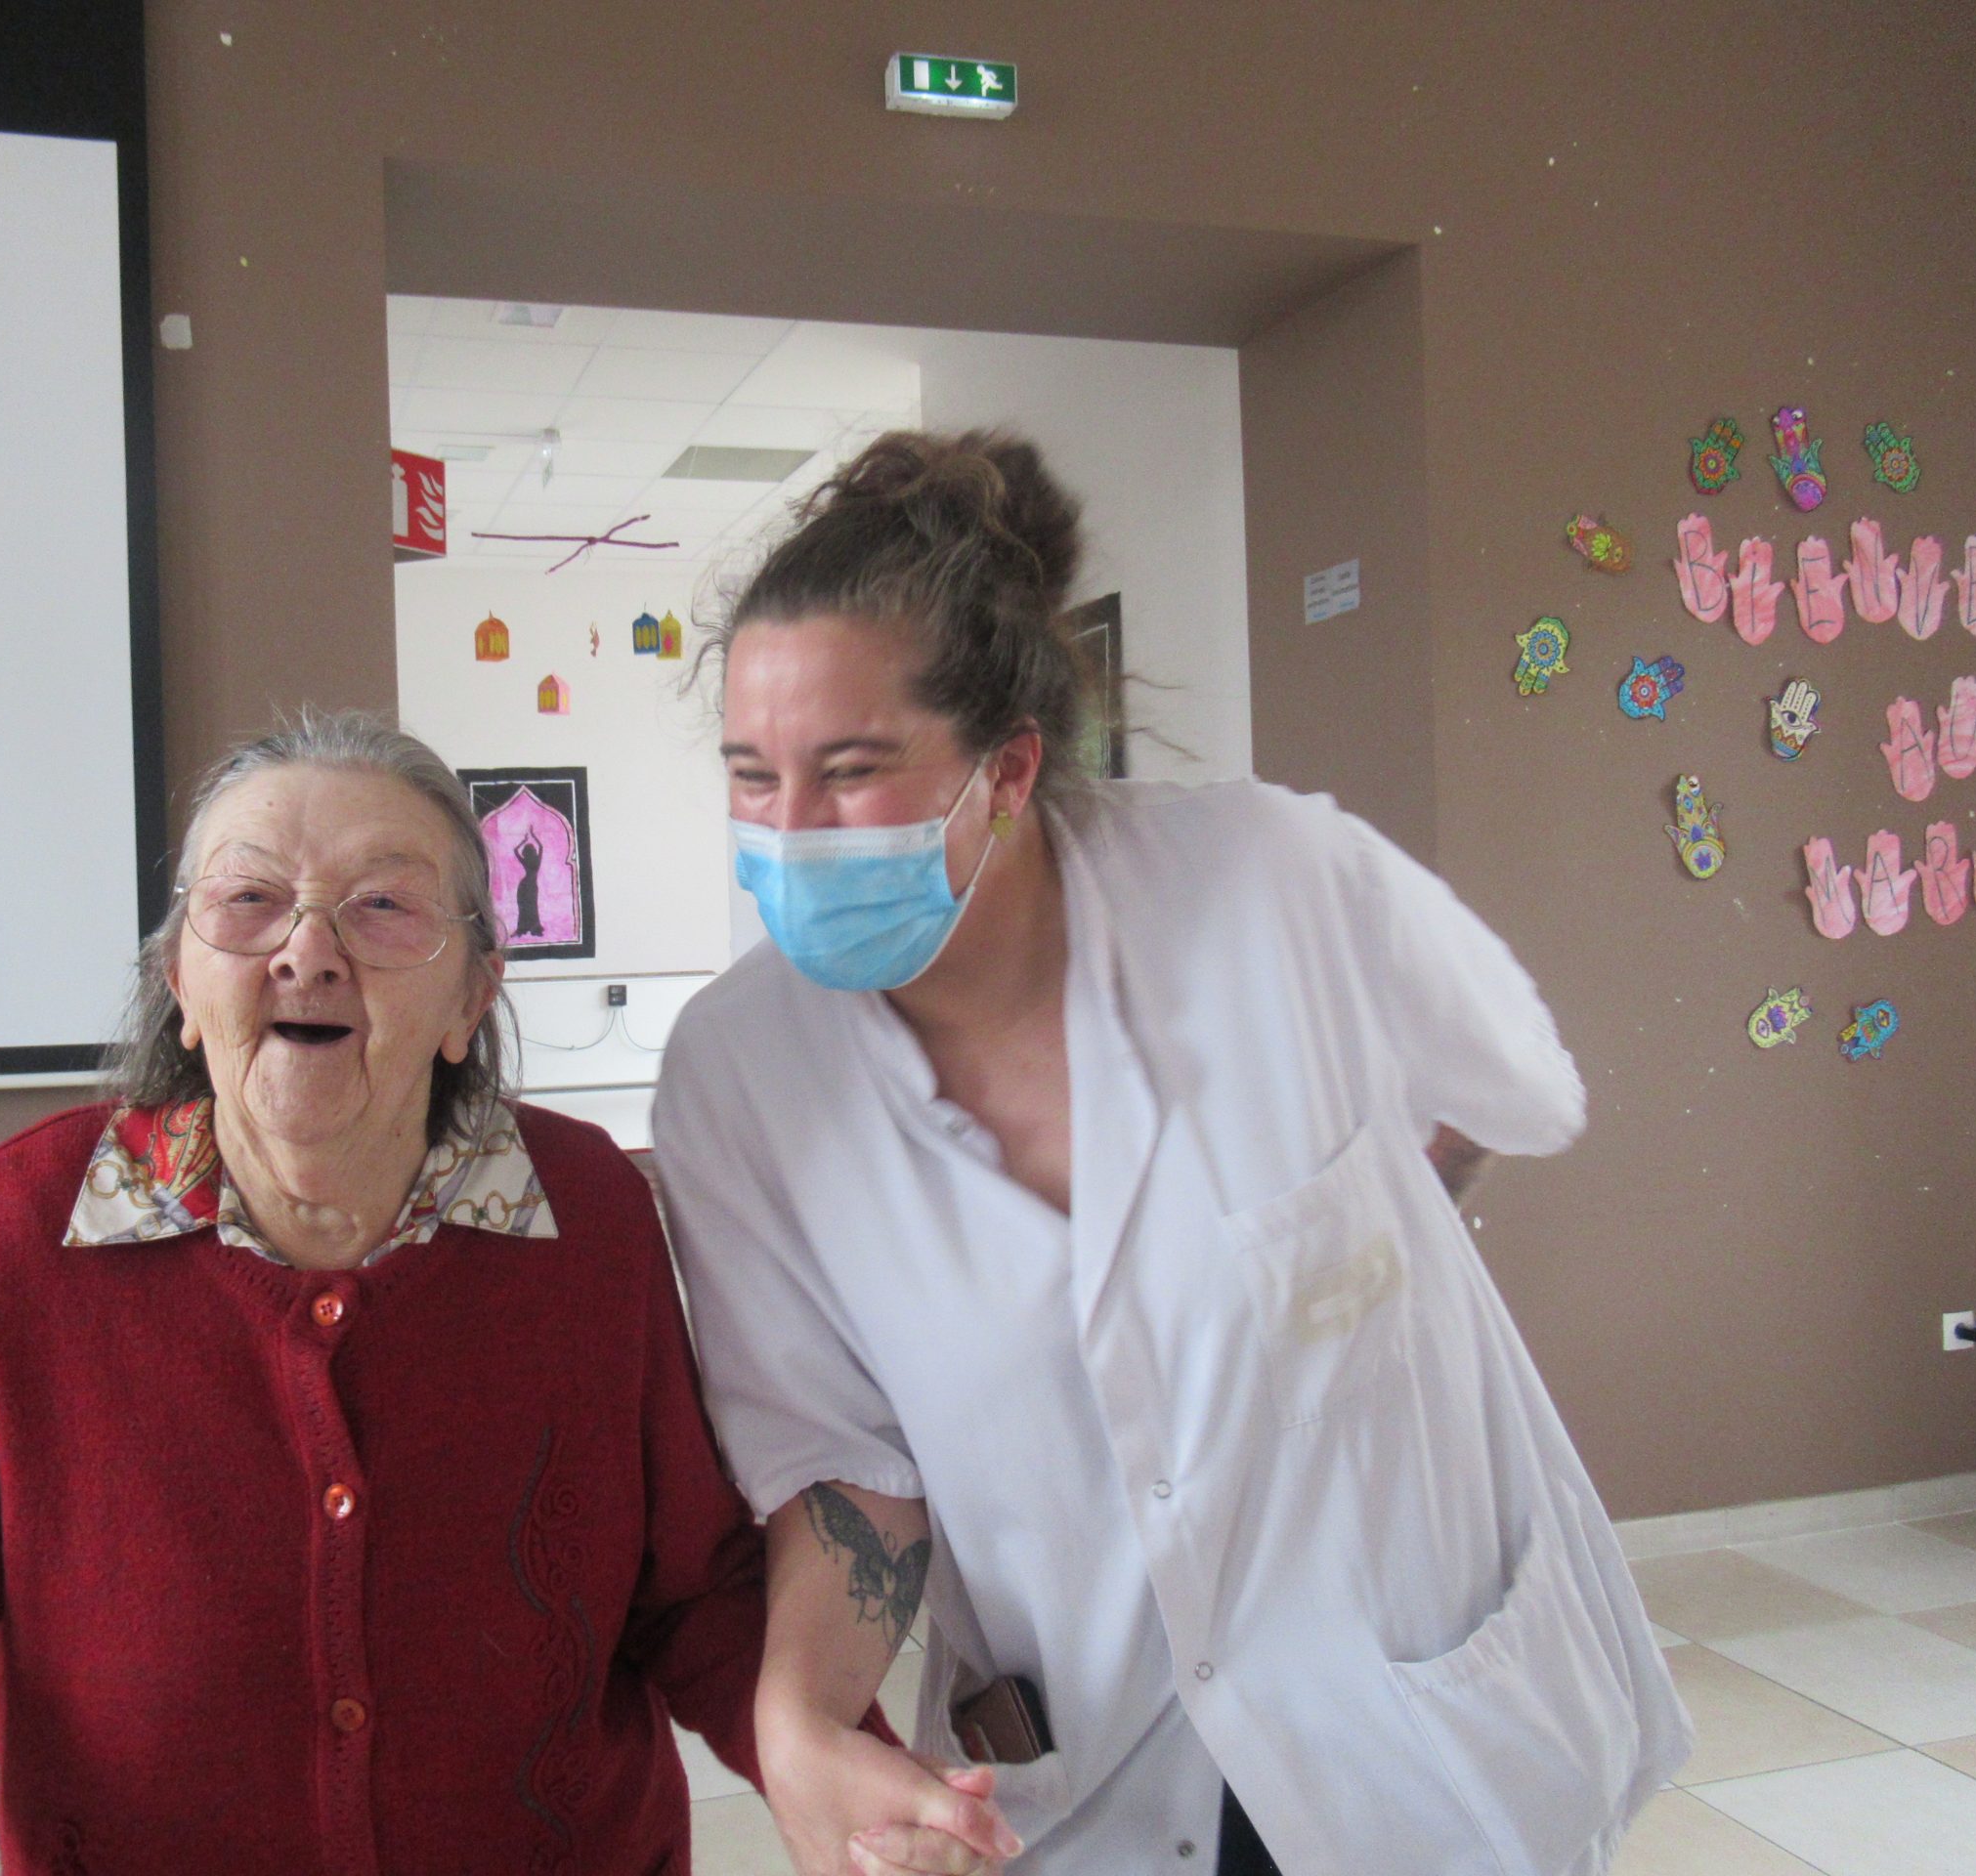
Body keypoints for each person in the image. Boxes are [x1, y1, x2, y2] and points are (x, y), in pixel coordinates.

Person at [652, 434, 1691, 1876]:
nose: (790, 833)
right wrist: (799, 1713)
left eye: (850, 772)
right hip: (1086, 1779)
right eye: (752, 777)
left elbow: (1502, 1087)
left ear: (1009, 769)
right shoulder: (738, 1076)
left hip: (1412, 1730)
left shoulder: (1271, 883)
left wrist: (1356, 1253)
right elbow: (843, 1458)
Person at [0, 710, 1011, 1875]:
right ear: (181, 982)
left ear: (471, 999)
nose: (309, 952)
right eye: (249, 901)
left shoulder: (585, 1217)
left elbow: (693, 1593)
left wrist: (828, 1758)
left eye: (384, 907)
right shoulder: (26, 1232)